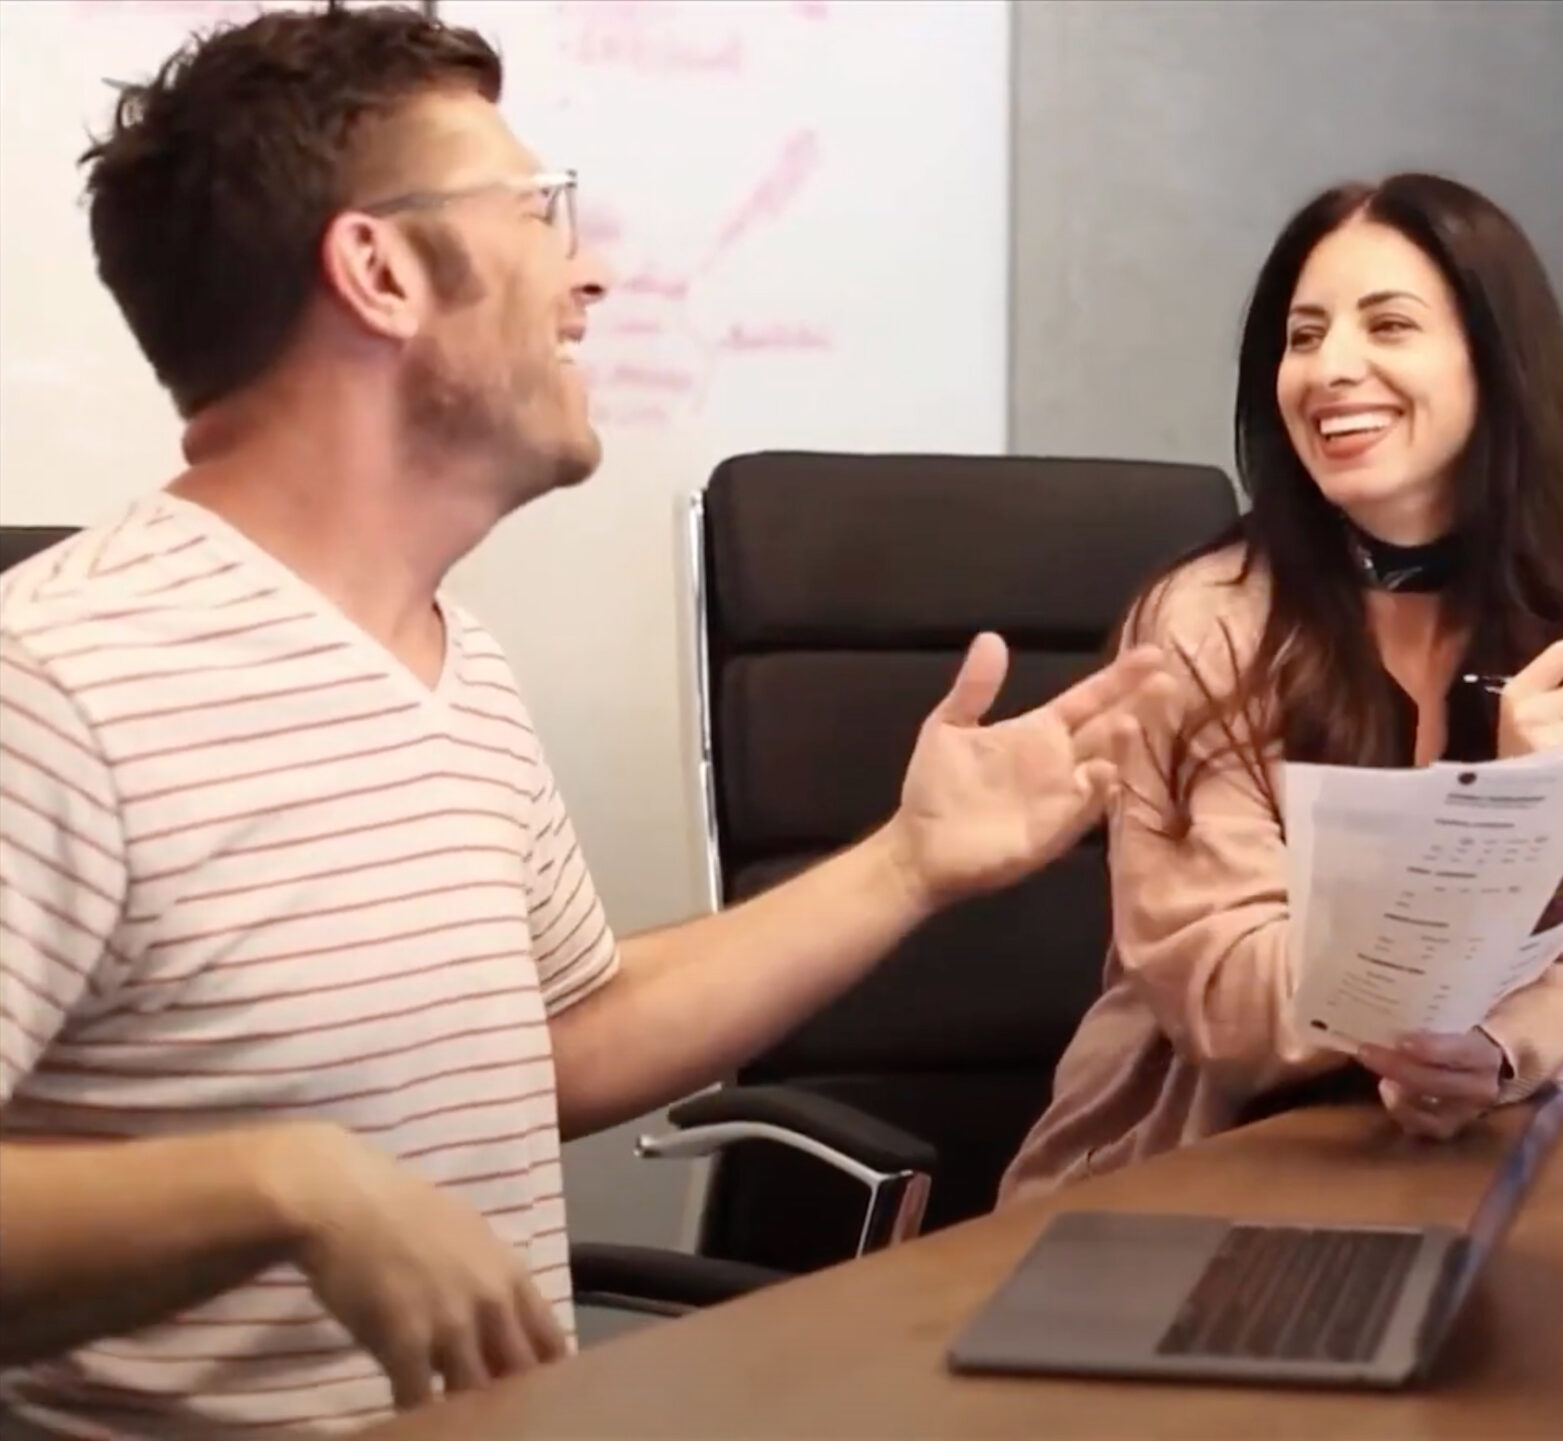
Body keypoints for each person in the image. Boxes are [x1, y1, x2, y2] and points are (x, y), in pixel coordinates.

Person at [0, 6, 1163, 1437]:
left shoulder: (454, 661)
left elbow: (565, 1037)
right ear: (378, 269)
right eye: (539, 210)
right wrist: (282, 1187)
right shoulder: (56, 680)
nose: (590, 273)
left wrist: (911, 859)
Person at [999, 172, 1563, 1204]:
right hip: (1182, 1178)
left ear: (1496, 361)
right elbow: (1230, 1000)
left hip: (1469, 1158)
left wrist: (1492, 1052)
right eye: (1303, 336)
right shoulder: (1204, 623)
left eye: (1387, 325)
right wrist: (1498, 817)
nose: (1331, 370)